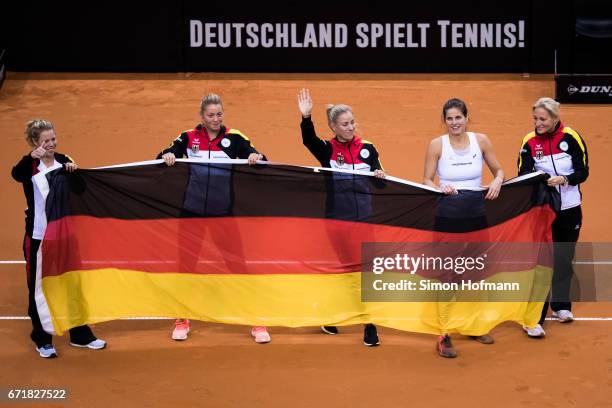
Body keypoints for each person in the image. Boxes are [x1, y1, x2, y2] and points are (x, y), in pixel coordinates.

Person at [158, 93, 271, 344]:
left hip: (224, 214)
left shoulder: (235, 137)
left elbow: (262, 159)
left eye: (219, 114)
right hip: (192, 213)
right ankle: (181, 319)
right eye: (211, 115)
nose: (216, 119)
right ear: (202, 116)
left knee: (238, 267)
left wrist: (257, 158)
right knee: (186, 267)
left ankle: (256, 321)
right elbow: (161, 156)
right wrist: (166, 156)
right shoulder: (187, 137)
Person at [11, 119, 107, 358]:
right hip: (38, 238)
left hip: (65, 235)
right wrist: (32, 156)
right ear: (35, 142)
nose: (52, 143)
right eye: (46, 140)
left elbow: (81, 190)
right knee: (38, 288)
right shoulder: (29, 166)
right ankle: (42, 339)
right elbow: (16, 174)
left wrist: (74, 174)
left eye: (53, 138)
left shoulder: (64, 160)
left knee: (72, 284)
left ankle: (80, 335)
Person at [297, 88, 385, 347]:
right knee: (344, 270)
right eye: (345, 124)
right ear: (334, 126)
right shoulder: (327, 150)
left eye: (352, 123)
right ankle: (335, 316)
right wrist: (306, 117)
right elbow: (308, 140)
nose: (350, 127)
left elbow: (380, 178)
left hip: (365, 220)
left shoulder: (368, 149)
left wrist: (380, 176)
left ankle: (370, 324)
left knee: (365, 272)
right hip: (337, 221)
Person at [423, 98, 504, 358]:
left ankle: (473, 325)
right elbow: (426, 178)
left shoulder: (481, 141)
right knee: (447, 276)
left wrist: (498, 181)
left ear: (467, 118)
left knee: (475, 273)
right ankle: (444, 334)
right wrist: (439, 187)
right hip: (447, 217)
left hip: (476, 216)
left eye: (459, 118)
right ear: (444, 121)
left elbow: (498, 170)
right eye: (450, 118)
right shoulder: (437, 145)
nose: (455, 123)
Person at [518, 97, 589, 338]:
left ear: (555, 118)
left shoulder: (571, 137)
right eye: (535, 119)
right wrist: (541, 179)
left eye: (542, 119)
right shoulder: (529, 142)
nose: (538, 123)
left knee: (563, 257)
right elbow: (523, 175)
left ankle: (561, 306)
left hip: (570, 208)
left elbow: (583, 171)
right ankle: (534, 318)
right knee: (541, 264)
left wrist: (566, 179)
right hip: (543, 211)